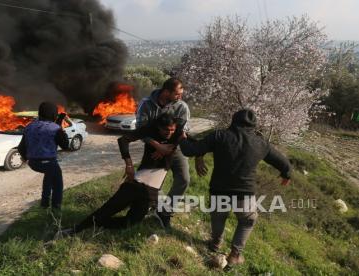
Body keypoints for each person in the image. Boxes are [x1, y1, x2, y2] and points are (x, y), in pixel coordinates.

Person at [179, 109, 292, 266]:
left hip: (219, 190)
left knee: (218, 217)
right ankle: (235, 255)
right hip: (244, 194)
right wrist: (286, 174)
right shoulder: (260, 143)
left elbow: (191, 150)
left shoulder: (219, 136)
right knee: (247, 220)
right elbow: (283, 162)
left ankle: (215, 244)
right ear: (254, 126)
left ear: (233, 120)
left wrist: (182, 138)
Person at [65, 113, 181, 234]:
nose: (169, 132)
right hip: (137, 184)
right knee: (107, 210)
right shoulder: (149, 130)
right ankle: (75, 230)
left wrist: (168, 148)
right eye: (166, 130)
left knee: (131, 222)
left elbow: (186, 140)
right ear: (158, 127)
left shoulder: (177, 133)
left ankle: (96, 224)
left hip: (151, 191)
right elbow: (123, 140)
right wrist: (129, 165)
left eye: (172, 129)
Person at [136, 77, 204, 227]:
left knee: (184, 179)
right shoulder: (146, 104)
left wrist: (168, 148)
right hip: (153, 148)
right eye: (177, 94)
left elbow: (183, 131)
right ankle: (153, 205)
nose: (181, 97)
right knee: (151, 182)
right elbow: (140, 130)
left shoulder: (182, 107)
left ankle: (165, 211)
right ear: (166, 91)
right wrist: (158, 146)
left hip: (176, 148)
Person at [18, 102, 69, 209]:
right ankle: (56, 209)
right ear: (54, 115)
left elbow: (21, 148)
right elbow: (65, 145)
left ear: (40, 113)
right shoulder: (55, 128)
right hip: (49, 163)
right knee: (58, 185)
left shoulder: (29, 126)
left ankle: (44, 204)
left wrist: (27, 159)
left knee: (49, 175)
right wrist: (60, 126)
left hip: (33, 163)